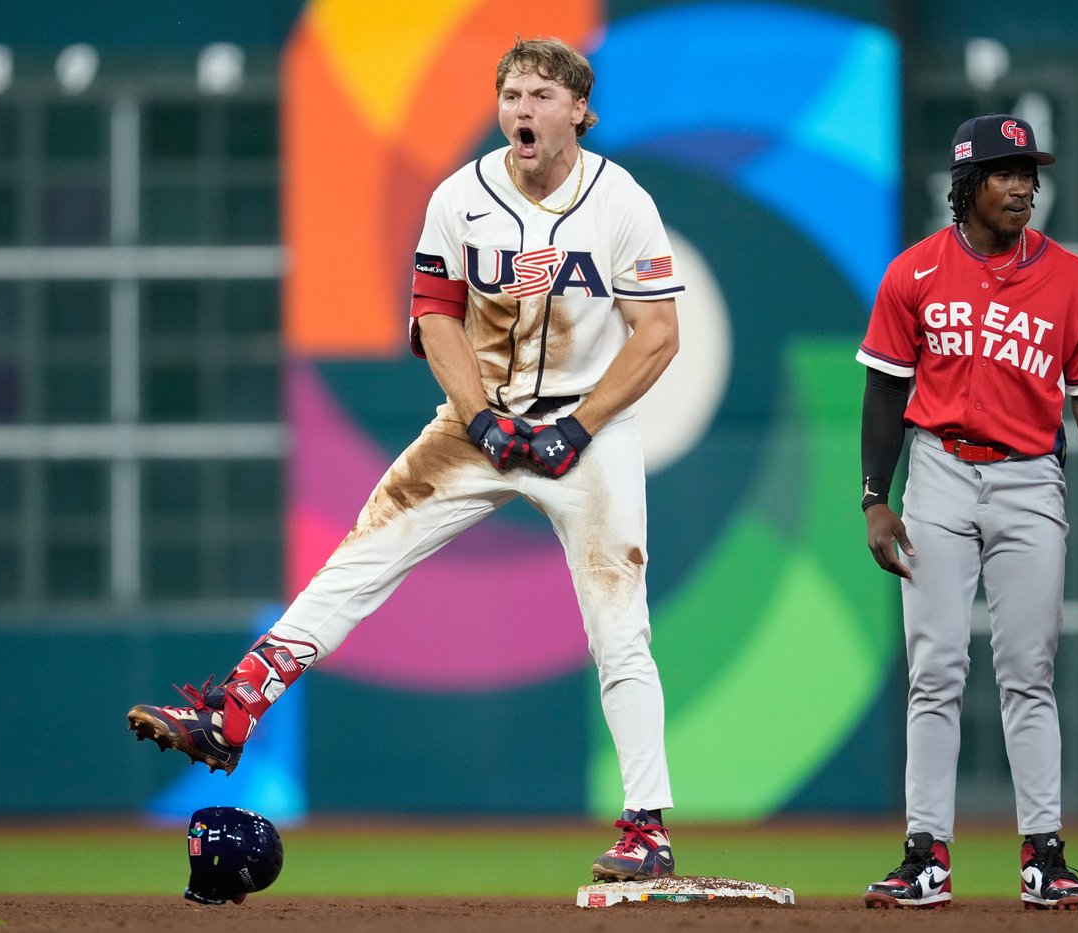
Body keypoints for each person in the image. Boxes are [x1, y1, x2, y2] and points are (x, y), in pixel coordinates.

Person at [128, 36, 682, 883]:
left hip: (589, 432)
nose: (523, 109)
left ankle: (645, 828)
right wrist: (480, 418)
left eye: (541, 95)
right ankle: (231, 714)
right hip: (476, 423)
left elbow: (658, 335)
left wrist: (579, 427)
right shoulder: (462, 196)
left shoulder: (620, 201)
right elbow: (435, 315)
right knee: (361, 557)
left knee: (620, 625)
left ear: (579, 110)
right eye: (512, 94)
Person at [855, 114, 1078, 910]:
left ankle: (1044, 856)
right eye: (1005, 172)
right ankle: (925, 855)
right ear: (967, 185)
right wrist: (875, 497)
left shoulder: (1071, 280)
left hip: (1030, 479)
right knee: (935, 668)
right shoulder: (914, 273)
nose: (1024, 186)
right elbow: (884, 391)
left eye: (1029, 172)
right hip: (939, 471)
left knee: (1029, 669)